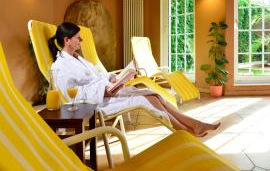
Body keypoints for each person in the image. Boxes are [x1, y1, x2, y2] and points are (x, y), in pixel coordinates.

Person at [48, 22, 220, 137]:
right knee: (143, 99)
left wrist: (114, 77)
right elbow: (72, 97)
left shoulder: (78, 58)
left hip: (107, 92)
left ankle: (194, 125)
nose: (81, 40)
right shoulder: (60, 67)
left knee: (153, 94)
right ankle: (184, 131)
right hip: (97, 102)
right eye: (78, 37)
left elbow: (96, 76)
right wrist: (104, 89)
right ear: (67, 40)